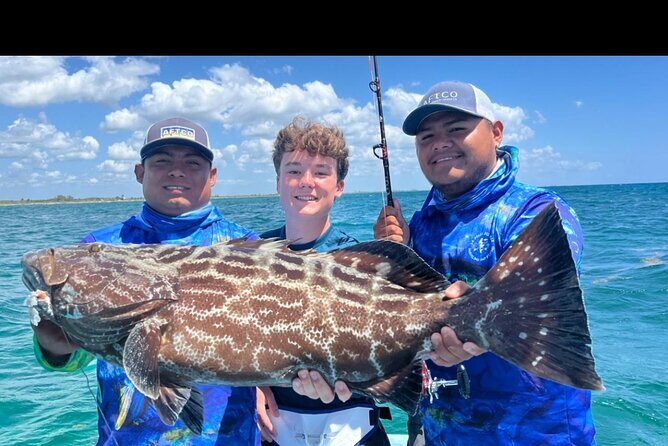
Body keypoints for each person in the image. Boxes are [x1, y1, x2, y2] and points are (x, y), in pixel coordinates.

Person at [373, 81, 596, 445]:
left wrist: (473, 316)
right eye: (426, 137)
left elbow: (535, 298)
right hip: (441, 433)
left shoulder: (536, 212)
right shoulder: (420, 224)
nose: (439, 143)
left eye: (456, 129)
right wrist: (395, 256)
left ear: (496, 133)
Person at [31, 117, 261, 445]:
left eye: (192, 163)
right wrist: (54, 347)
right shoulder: (98, 248)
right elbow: (77, 357)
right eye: (162, 161)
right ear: (140, 172)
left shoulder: (247, 249)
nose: (177, 171)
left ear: (212, 176)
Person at [256, 116, 391, 446]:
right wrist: (252, 385)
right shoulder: (250, 254)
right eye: (293, 171)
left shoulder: (362, 261)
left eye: (320, 172)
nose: (306, 182)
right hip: (274, 430)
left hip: (355, 428)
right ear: (277, 182)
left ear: (339, 186)